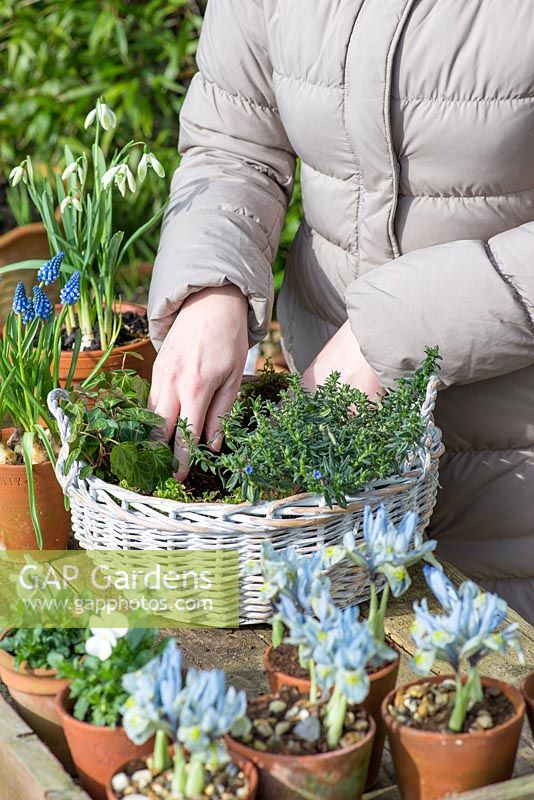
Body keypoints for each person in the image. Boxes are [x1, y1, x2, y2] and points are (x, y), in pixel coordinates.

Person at [147, 0, 534, 620]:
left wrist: (398, 330)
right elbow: (234, 138)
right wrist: (209, 288)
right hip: (321, 490)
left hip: (511, 489)